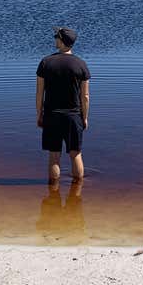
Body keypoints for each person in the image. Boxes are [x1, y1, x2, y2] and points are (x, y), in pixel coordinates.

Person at [36, 27, 91, 183]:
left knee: (54, 155)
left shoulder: (46, 62)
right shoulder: (81, 64)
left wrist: (39, 114)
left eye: (56, 37)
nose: (55, 39)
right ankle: (78, 192)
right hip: (74, 116)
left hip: (52, 115)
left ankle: (53, 192)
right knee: (76, 154)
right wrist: (84, 118)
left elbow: (40, 93)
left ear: (61, 41)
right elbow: (85, 96)